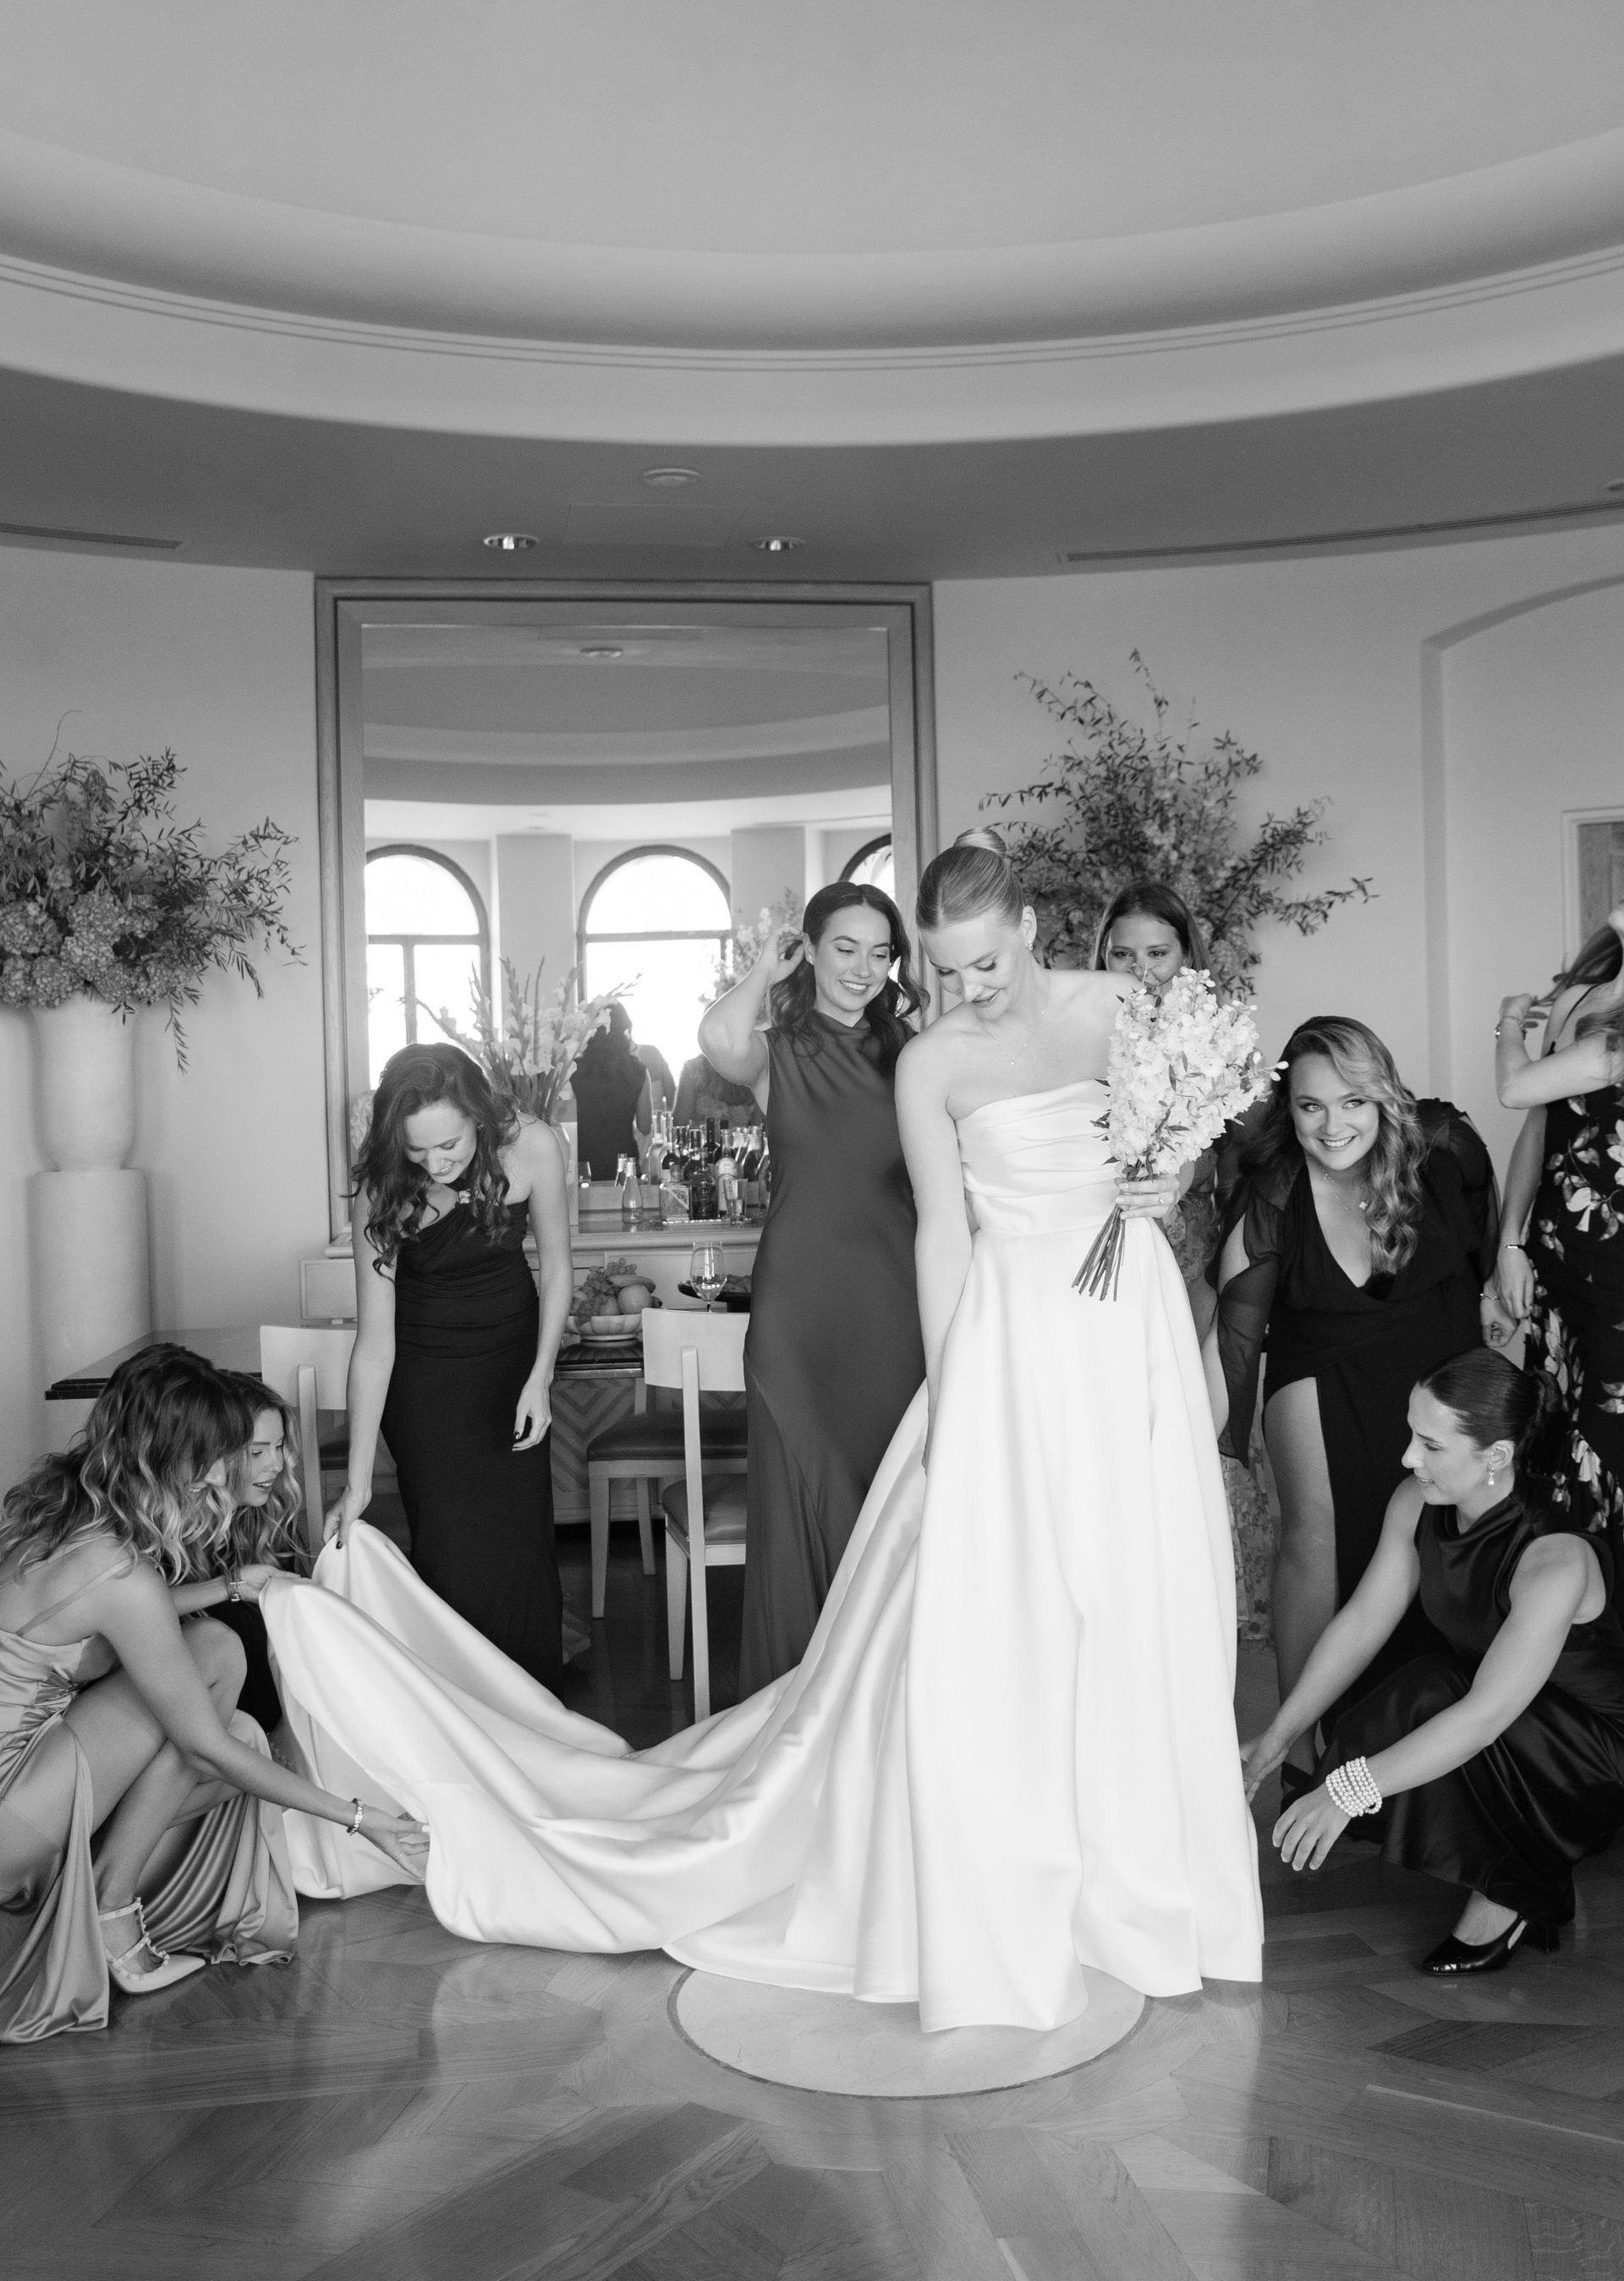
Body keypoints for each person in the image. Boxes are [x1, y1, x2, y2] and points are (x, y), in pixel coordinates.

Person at [261, 825, 1262, 2032]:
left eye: (985, 964)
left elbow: (1180, 1144)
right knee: (1009, 1594)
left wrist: (1165, 1178)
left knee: (1139, 1581)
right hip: (1009, 1332)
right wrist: (958, 1395)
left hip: (1125, 1319)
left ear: (1033, 932)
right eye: (946, 971)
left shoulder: (1124, 1005)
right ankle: (1023, 1865)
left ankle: (1145, 1874)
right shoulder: (930, 1059)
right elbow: (945, 1235)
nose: (968, 990)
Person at [0, 1347, 425, 2044]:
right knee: (219, 1665)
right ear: (173, 1457)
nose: (227, 1473)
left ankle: (97, 1887)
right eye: (217, 1456)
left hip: (25, 1779)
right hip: (12, 1811)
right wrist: (360, 1817)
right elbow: (199, 1740)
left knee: (246, 1732)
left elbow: (108, 1620)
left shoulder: (69, 1512)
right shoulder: (120, 1573)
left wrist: (229, 1585)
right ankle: (111, 1907)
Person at [1245, 1350, 1624, 1972]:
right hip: (1511, 1719)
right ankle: (1519, 1860)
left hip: (1595, 1751)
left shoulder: (1554, 1560)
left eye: (1430, 1445)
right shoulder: (1417, 1501)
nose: (1407, 1458)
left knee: (1440, 1700)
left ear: (1495, 1456)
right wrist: (1280, 1736)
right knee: (1418, 1690)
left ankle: (1512, 1891)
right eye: (1411, 1434)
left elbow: (1484, 1717)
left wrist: (1347, 1790)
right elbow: (1363, 1622)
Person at [1205, 1017, 1501, 1793]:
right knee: (1315, 1536)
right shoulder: (1273, 1191)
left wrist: (1504, 1275)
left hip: (1432, 1356)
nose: (1332, 1126)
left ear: (1384, 1099)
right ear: (1288, 1109)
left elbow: (1484, 1238)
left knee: (1434, 1534)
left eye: (1353, 1103)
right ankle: (1298, 1751)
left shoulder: (1446, 1149)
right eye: (1311, 1106)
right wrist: (1179, 1450)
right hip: (1317, 1364)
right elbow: (1234, 1342)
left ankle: (1421, 1744)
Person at [698, 880, 927, 1692]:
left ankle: (882, 1699)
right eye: (845, 948)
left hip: (895, 1304)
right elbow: (717, 1036)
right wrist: (765, 968)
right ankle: (800, 1700)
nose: (863, 969)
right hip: (799, 1308)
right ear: (813, 950)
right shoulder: (778, 1051)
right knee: (803, 1490)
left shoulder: (913, 1051)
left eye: (880, 953)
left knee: (889, 1494)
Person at [326, 1043, 573, 1691]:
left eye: (450, 1145)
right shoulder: (382, 1192)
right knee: (452, 1554)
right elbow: (374, 1345)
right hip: (427, 1391)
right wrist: (357, 1483)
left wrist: (540, 1377)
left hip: (512, 1371)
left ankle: (534, 1706)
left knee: (520, 1550)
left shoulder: (534, 1145)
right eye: (418, 1150)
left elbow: (558, 1268)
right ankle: (464, 1715)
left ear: (478, 1114)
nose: (436, 1163)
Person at [1094, 879, 1274, 1634]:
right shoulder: (1081, 1030)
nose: (1141, 971)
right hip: (1094, 1245)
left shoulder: (1215, 1034)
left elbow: (1237, 1147)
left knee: (1189, 1419)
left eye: (1158, 954)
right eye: (1123, 954)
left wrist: (1179, 1172)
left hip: (1187, 1252)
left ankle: (1198, 1611)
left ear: (1186, 954)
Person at [1492, 901, 1624, 1582]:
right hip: (1558, 1263)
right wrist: (1509, 1244)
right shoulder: (1579, 997)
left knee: (1608, 1451)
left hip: (1617, 1279)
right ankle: (1561, 1623)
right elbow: (1537, 1129)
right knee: (1550, 1440)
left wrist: (1509, 1022)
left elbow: (1516, 1088)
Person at [177, 1373, 304, 1739]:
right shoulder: (176, 1532)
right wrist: (230, 1585)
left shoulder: (266, 1522)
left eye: (279, 1447)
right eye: (257, 1452)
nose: (277, 1464)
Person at [573, 1004, 652, 1183]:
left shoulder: (573, 1070)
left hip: (583, 1167)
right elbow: (645, 1126)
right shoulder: (638, 1070)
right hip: (624, 1166)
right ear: (625, 1028)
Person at [672, 1051, 762, 1134]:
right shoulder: (693, 1069)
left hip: (740, 1145)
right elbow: (679, 1125)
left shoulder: (754, 1071)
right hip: (701, 1145)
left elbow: (760, 1130)